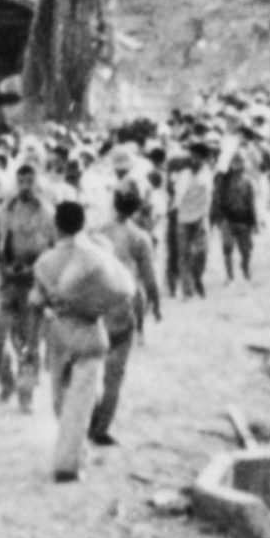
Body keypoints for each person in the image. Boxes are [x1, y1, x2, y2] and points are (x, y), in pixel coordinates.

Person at [29, 202, 135, 482]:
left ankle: (70, 457)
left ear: (57, 225)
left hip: (59, 332)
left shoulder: (46, 261)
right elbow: (122, 290)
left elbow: (36, 301)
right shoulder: (95, 255)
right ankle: (70, 461)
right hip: (89, 329)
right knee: (81, 399)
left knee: (61, 401)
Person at [90, 186, 162, 447]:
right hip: (123, 307)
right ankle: (102, 425)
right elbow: (150, 279)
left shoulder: (96, 232)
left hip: (96, 306)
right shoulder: (140, 238)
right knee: (114, 374)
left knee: (90, 368)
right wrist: (156, 304)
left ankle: (89, 417)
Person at [0, 164, 58, 411]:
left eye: (30, 181)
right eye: (21, 181)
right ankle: (7, 382)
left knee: (30, 340)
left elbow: (54, 251)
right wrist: (3, 268)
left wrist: (38, 273)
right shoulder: (4, 212)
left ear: (37, 183)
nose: (25, 186)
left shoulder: (48, 215)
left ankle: (26, 392)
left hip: (34, 283)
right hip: (8, 282)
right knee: (0, 337)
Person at [172, 140, 216, 299]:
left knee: (202, 252)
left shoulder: (207, 174)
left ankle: (197, 277)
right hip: (184, 217)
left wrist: (207, 215)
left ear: (203, 158)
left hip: (200, 216)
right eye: (192, 156)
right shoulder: (184, 174)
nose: (194, 160)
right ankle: (187, 289)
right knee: (184, 254)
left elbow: (209, 196)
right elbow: (177, 196)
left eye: (197, 157)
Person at [212, 149, 261, 283]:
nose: (237, 165)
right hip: (227, 219)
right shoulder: (222, 181)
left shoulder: (248, 182)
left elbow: (251, 204)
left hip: (244, 219)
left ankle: (245, 268)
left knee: (246, 250)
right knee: (227, 248)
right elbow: (217, 199)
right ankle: (229, 275)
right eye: (235, 162)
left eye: (240, 162)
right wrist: (217, 218)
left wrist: (255, 223)